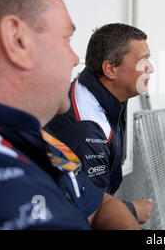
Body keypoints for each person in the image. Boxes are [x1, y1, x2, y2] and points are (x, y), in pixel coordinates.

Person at [0, 0, 141, 229]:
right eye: (66, 38)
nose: (74, 58)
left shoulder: (36, 139)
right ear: (18, 40)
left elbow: (100, 204)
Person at [46, 23, 154, 224]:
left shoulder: (101, 92)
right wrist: (132, 210)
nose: (151, 68)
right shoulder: (85, 128)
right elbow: (88, 213)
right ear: (111, 69)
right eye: (143, 61)